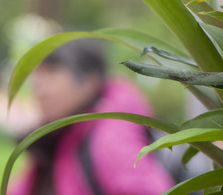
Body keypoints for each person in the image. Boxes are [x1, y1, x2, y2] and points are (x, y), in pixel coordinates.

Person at [9, 40, 175, 195]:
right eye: (38, 75)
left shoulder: (110, 136)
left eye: (52, 73)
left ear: (89, 83)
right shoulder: (61, 135)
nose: (39, 88)